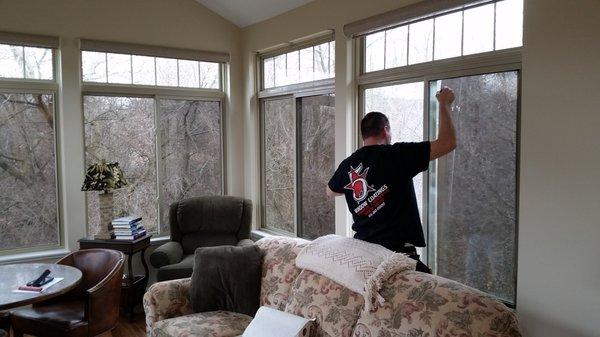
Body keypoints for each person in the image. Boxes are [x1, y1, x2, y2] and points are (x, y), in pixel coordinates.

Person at [326, 86, 457, 273]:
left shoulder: (349, 164)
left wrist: (356, 189)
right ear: (386, 129)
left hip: (365, 252)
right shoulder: (397, 155)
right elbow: (448, 143)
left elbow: (330, 191)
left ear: (364, 134)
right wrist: (444, 104)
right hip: (396, 255)